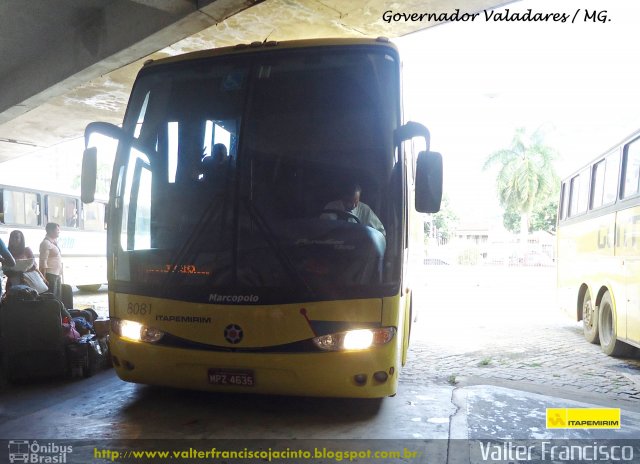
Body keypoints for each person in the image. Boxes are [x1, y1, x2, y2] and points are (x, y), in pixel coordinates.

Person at [39, 222, 63, 300]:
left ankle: (57, 312)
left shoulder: (54, 242)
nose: (59, 231)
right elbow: (43, 262)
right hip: (50, 275)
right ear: (50, 231)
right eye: (57, 230)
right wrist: (43, 278)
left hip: (56, 275)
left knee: (57, 298)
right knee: (51, 298)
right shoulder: (45, 243)